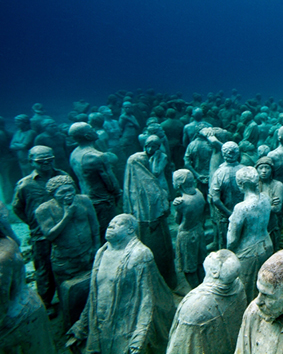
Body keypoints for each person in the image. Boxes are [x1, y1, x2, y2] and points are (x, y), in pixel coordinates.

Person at [68, 214, 176, 354]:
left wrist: (140, 335)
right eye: (110, 224)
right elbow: (94, 293)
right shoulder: (102, 252)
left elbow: (147, 299)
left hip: (126, 324)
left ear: (130, 230)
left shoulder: (140, 254)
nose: (110, 226)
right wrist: (82, 325)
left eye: (117, 224)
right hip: (100, 323)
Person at [12, 145, 68, 309]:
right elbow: (17, 208)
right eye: (41, 160)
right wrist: (34, 223)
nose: (46, 163)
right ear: (31, 162)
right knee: (43, 269)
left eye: (50, 159)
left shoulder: (62, 176)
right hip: (41, 235)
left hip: (63, 230)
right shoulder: (25, 185)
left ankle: (66, 296)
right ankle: (46, 302)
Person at [166, 250, 247, 354]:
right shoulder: (238, 286)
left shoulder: (193, 309)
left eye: (214, 255)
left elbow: (180, 348)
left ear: (215, 272)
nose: (211, 253)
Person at [123, 136, 177, 290]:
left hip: (141, 226)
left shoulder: (130, 185)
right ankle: (167, 280)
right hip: (155, 226)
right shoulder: (150, 185)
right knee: (160, 254)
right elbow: (162, 205)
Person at [0, 226, 56, 354]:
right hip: (27, 314)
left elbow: (1, 310)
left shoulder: (2, 258)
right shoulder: (7, 241)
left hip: (18, 324)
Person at [35, 175, 100, 285]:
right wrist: (67, 216)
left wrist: (96, 248)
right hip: (65, 260)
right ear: (53, 195)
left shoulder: (84, 200)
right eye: (62, 192)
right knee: (67, 289)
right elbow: (50, 235)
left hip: (88, 253)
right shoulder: (44, 210)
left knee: (92, 284)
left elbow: (95, 226)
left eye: (70, 190)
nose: (68, 194)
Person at [69, 122, 121, 243]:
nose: (94, 130)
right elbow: (111, 182)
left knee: (95, 231)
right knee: (109, 233)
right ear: (87, 136)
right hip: (102, 200)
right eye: (91, 129)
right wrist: (117, 194)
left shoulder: (74, 153)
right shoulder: (97, 156)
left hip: (86, 197)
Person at [227, 166, 273, 301]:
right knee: (265, 286)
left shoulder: (241, 208)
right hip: (267, 245)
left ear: (241, 185)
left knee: (248, 293)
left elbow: (232, 241)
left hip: (248, 253)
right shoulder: (266, 198)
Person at [172, 169, 207, 289]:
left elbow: (177, 220)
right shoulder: (199, 193)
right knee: (200, 263)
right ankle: (203, 286)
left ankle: (195, 290)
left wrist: (176, 209)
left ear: (179, 183)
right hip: (198, 230)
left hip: (186, 234)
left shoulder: (182, 202)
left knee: (189, 267)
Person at [209, 141, 246, 251]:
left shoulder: (218, 173)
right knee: (242, 241)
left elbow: (215, 199)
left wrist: (229, 214)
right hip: (242, 214)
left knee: (226, 246)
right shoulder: (245, 170)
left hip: (226, 216)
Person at [255, 156, 283, 251]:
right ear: (257, 170)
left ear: (272, 170)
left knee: (272, 250)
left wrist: (258, 205)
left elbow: (277, 208)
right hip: (256, 226)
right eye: (261, 168)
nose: (264, 171)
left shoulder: (277, 185)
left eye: (267, 168)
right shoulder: (253, 186)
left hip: (272, 225)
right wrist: (269, 203)